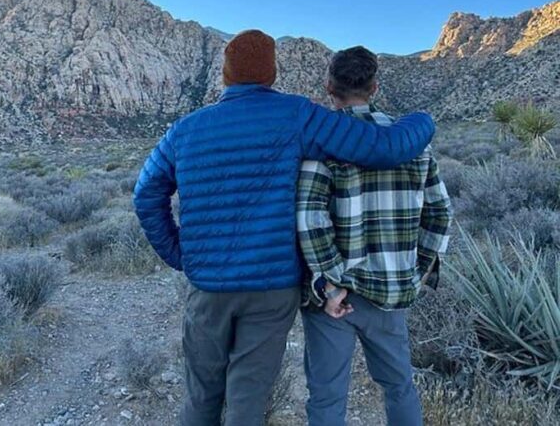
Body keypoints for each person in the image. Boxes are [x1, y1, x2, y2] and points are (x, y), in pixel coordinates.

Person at [132, 30, 436, 426]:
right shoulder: (297, 116)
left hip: (208, 287)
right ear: (272, 75)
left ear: (225, 77)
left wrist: (179, 253)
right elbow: (383, 148)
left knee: (201, 395)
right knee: (248, 399)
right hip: (271, 289)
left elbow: (145, 194)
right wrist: (424, 120)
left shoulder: (184, 130)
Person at [296, 46, 453, 426]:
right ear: (375, 87)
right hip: (391, 292)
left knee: (327, 395)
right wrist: (417, 270)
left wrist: (331, 282)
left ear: (329, 86)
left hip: (337, 298)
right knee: (399, 386)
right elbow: (440, 211)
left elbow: (309, 218)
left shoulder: (323, 145)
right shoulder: (415, 145)